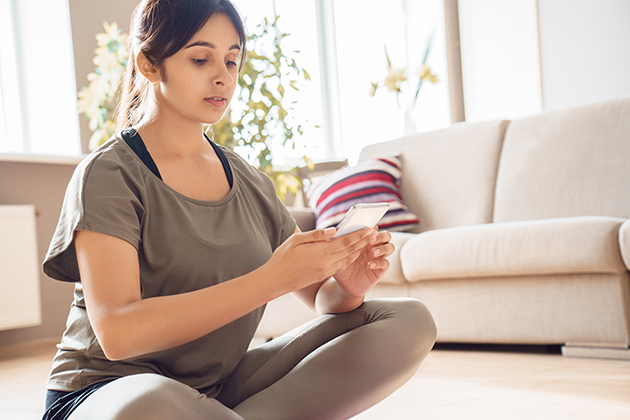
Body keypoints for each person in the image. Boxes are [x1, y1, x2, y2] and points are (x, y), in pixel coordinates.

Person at [41, 1, 437, 419]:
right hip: (106, 393)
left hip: (217, 393)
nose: (223, 77)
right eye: (200, 58)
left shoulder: (249, 182)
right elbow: (118, 333)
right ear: (148, 65)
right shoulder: (109, 175)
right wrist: (270, 279)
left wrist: (350, 287)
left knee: (407, 320)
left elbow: (323, 299)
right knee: (151, 404)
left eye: (232, 61)